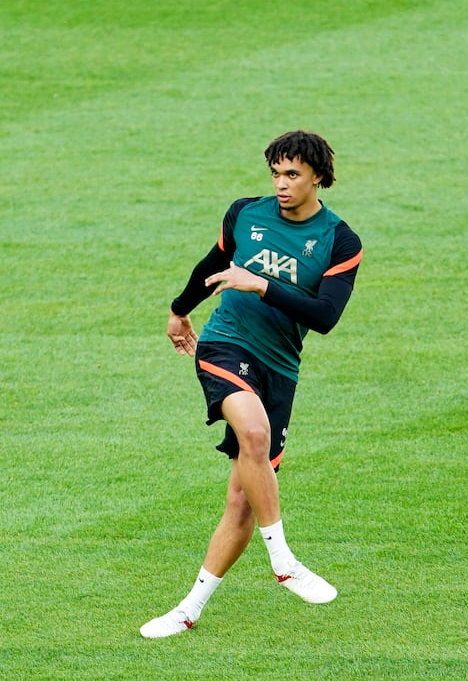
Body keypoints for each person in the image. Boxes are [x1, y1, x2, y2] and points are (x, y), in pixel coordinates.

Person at [140, 130, 363, 639]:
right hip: (225, 346)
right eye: (276, 174)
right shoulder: (246, 213)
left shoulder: (339, 241)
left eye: (292, 175)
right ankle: (284, 562)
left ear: (318, 178)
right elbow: (212, 265)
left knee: (243, 500)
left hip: (280, 369)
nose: (280, 185)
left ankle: (188, 610)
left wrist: (261, 283)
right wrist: (180, 311)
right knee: (254, 437)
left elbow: (325, 316)